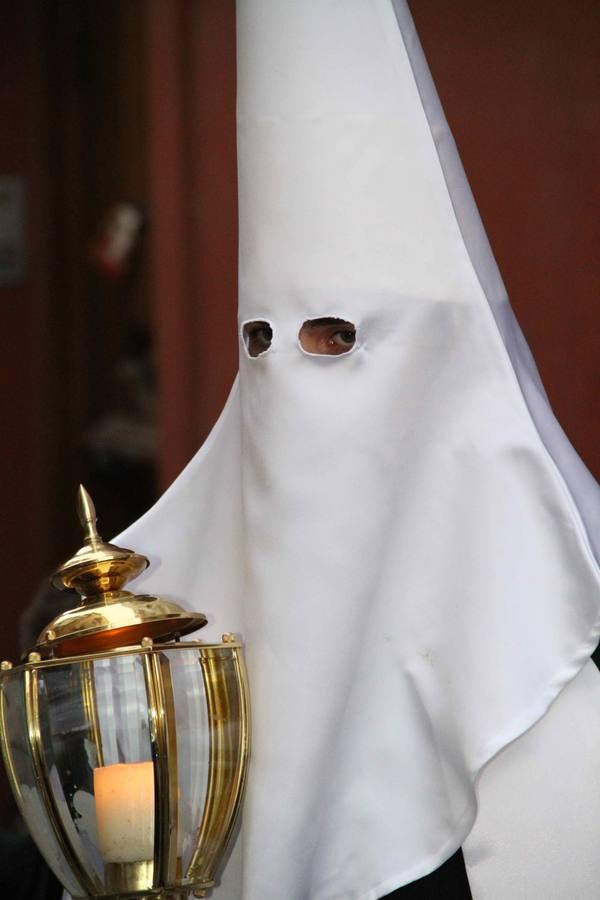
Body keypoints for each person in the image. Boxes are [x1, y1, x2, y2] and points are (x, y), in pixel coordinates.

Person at [116, 1, 600, 898]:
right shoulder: (163, 643)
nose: (295, 376)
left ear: (457, 372)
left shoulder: (557, 662)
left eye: (339, 334)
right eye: (261, 341)